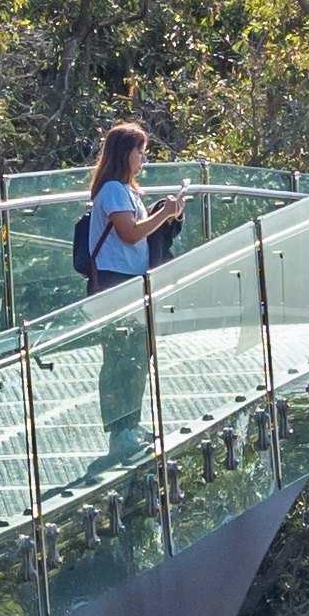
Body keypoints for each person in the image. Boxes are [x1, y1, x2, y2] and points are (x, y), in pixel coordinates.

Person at [80, 119, 187, 458]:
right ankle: (118, 432)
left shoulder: (129, 192)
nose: (143, 159)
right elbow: (130, 233)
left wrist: (167, 215)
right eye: (140, 152)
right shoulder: (112, 190)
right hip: (114, 282)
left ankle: (131, 424)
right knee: (118, 358)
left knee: (138, 356)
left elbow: (140, 230)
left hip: (132, 280)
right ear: (125, 153)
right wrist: (162, 214)